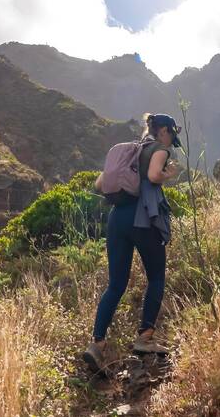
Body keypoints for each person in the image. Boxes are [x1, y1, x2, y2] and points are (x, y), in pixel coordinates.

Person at [82, 113, 182, 373]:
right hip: (143, 219)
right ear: (162, 131)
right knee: (157, 277)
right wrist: (167, 174)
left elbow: (101, 183)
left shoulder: (128, 151)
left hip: (117, 220)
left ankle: (97, 344)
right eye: (171, 135)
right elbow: (153, 174)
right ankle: (144, 338)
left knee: (116, 284)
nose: (171, 142)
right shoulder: (159, 149)